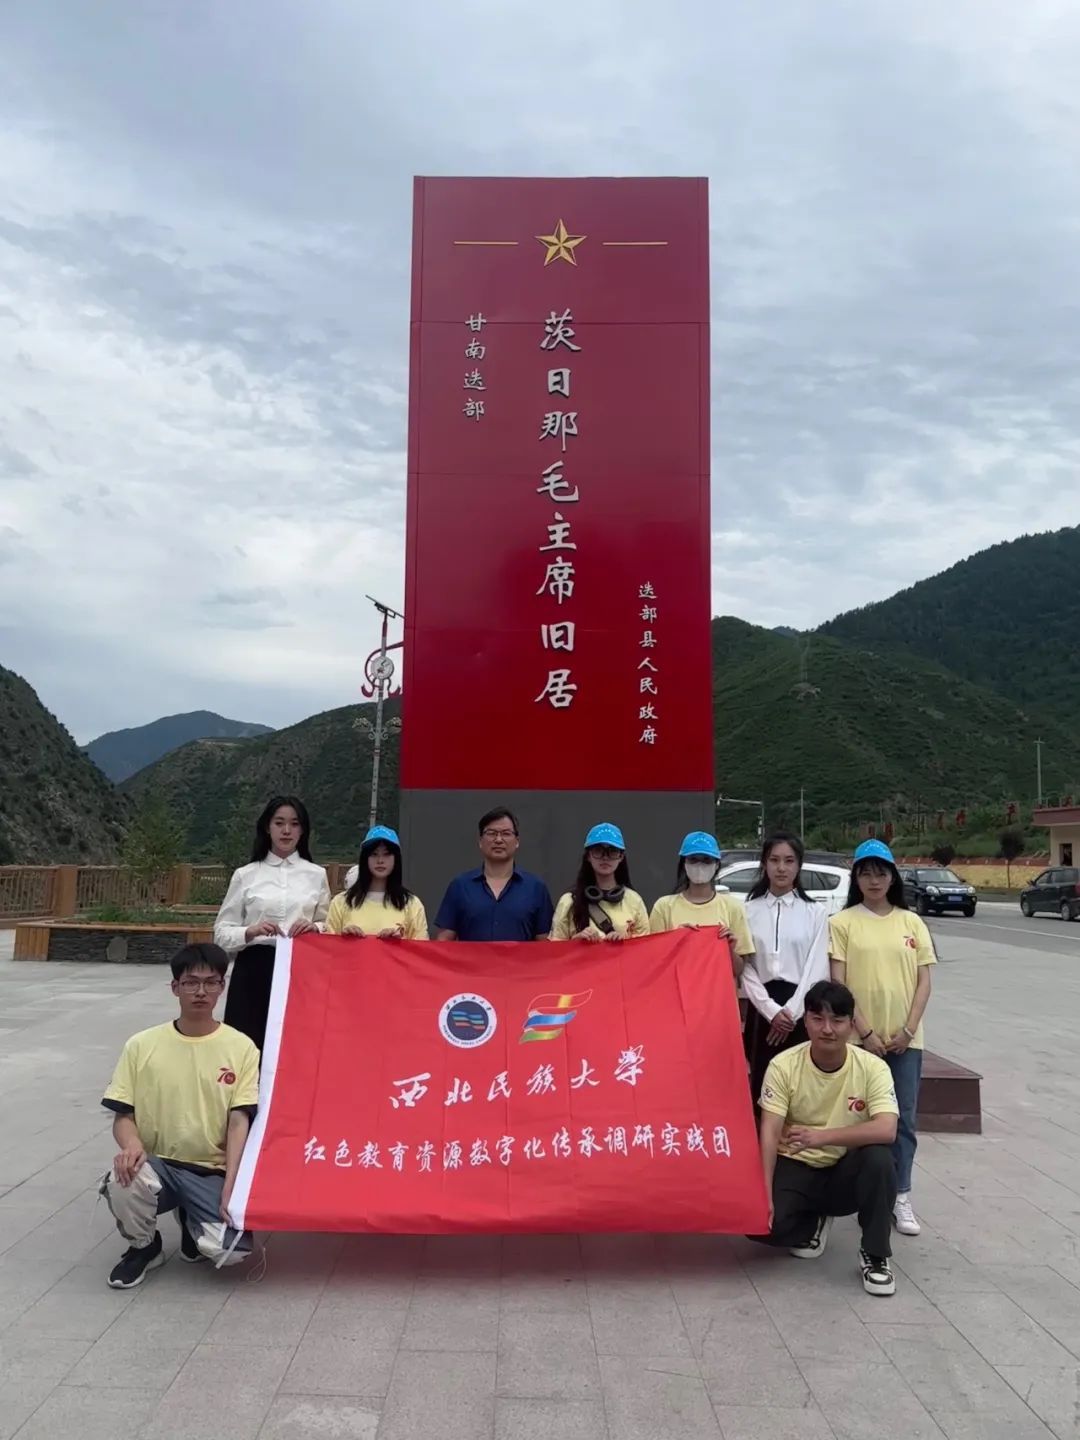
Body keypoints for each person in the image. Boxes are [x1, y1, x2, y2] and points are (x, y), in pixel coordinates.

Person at [99, 943, 258, 1289]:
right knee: (122, 1179)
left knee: (232, 1251)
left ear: (222, 987)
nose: (201, 991)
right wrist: (131, 1146)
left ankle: (191, 1221)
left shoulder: (242, 1047)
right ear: (175, 987)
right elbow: (122, 1113)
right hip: (160, 1165)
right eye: (191, 982)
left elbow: (238, 1121)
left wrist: (233, 1183)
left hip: (211, 1170)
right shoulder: (142, 1045)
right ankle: (144, 1247)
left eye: (211, 982)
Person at [751, 979, 899, 1297]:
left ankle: (875, 1254)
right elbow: (770, 1131)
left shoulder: (872, 1068)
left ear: (851, 1025)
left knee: (880, 1158)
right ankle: (812, 1221)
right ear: (805, 1021)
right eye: (818, 1019)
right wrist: (764, 1194)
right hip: (795, 1163)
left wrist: (822, 1137)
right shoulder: (783, 1065)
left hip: (844, 1167)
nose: (827, 1029)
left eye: (837, 1020)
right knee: (758, 1226)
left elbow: (887, 1129)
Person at [829, 838, 935, 1239]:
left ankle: (900, 1194)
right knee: (855, 1117)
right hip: (859, 1042)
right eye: (866, 873)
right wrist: (866, 1031)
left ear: (893, 878)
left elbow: (924, 981)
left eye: (881, 872)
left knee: (903, 1119)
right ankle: (849, 1194)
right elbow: (839, 983)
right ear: (856, 878)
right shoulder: (842, 923)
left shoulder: (912, 922)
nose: (874, 880)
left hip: (906, 1042)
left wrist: (908, 1030)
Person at [214, 795, 330, 1051]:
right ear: (267, 827)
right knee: (247, 1045)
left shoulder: (316, 875)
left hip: (300, 969)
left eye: (294, 823)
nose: (286, 830)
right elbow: (221, 933)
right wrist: (250, 931)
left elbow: (328, 925)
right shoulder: (246, 875)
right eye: (279, 823)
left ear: (303, 830)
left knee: (296, 1046)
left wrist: (315, 928)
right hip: (255, 968)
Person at [742, 831, 831, 1111]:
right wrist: (771, 1011)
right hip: (762, 1006)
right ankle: (762, 1137)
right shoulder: (747, 911)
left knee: (798, 1085)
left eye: (789, 861)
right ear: (764, 864)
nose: (781, 868)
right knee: (762, 1083)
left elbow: (816, 967)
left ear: (799, 865)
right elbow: (745, 966)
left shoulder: (815, 912)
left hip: (800, 1008)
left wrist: (790, 1014)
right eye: (774, 860)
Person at [434, 806, 554, 941]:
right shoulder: (460, 886)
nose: (498, 840)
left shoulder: (536, 888)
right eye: (491, 833)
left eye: (506, 833)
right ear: (480, 841)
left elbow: (545, 945)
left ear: (517, 842)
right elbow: (443, 942)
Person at [648, 831, 755, 978]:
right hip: (677, 990)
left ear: (716, 865)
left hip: (718, 991)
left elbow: (738, 970)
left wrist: (729, 949)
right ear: (684, 864)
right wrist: (675, 940)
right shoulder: (664, 907)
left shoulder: (733, 907)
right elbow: (653, 964)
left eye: (706, 860)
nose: (700, 865)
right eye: (693, 860)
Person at [325, 825, 429, 939]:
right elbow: (326, 947)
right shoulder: (340, 903)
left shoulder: (412, 904)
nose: (380, 860)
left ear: (396, 859)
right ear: (365, 858)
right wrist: (344, 940)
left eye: (387, 854)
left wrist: (398, 943)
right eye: (374, 854)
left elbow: (421, 948)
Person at [550, 823, 649, 941]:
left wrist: (623, 943)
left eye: (612, 851)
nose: (605, 857)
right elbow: (555, 949)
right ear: (588, 856)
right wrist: (576, 942)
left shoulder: (634, 901)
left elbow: (645, 948)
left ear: (621, 857)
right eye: (598, 850)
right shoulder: (569, 902)